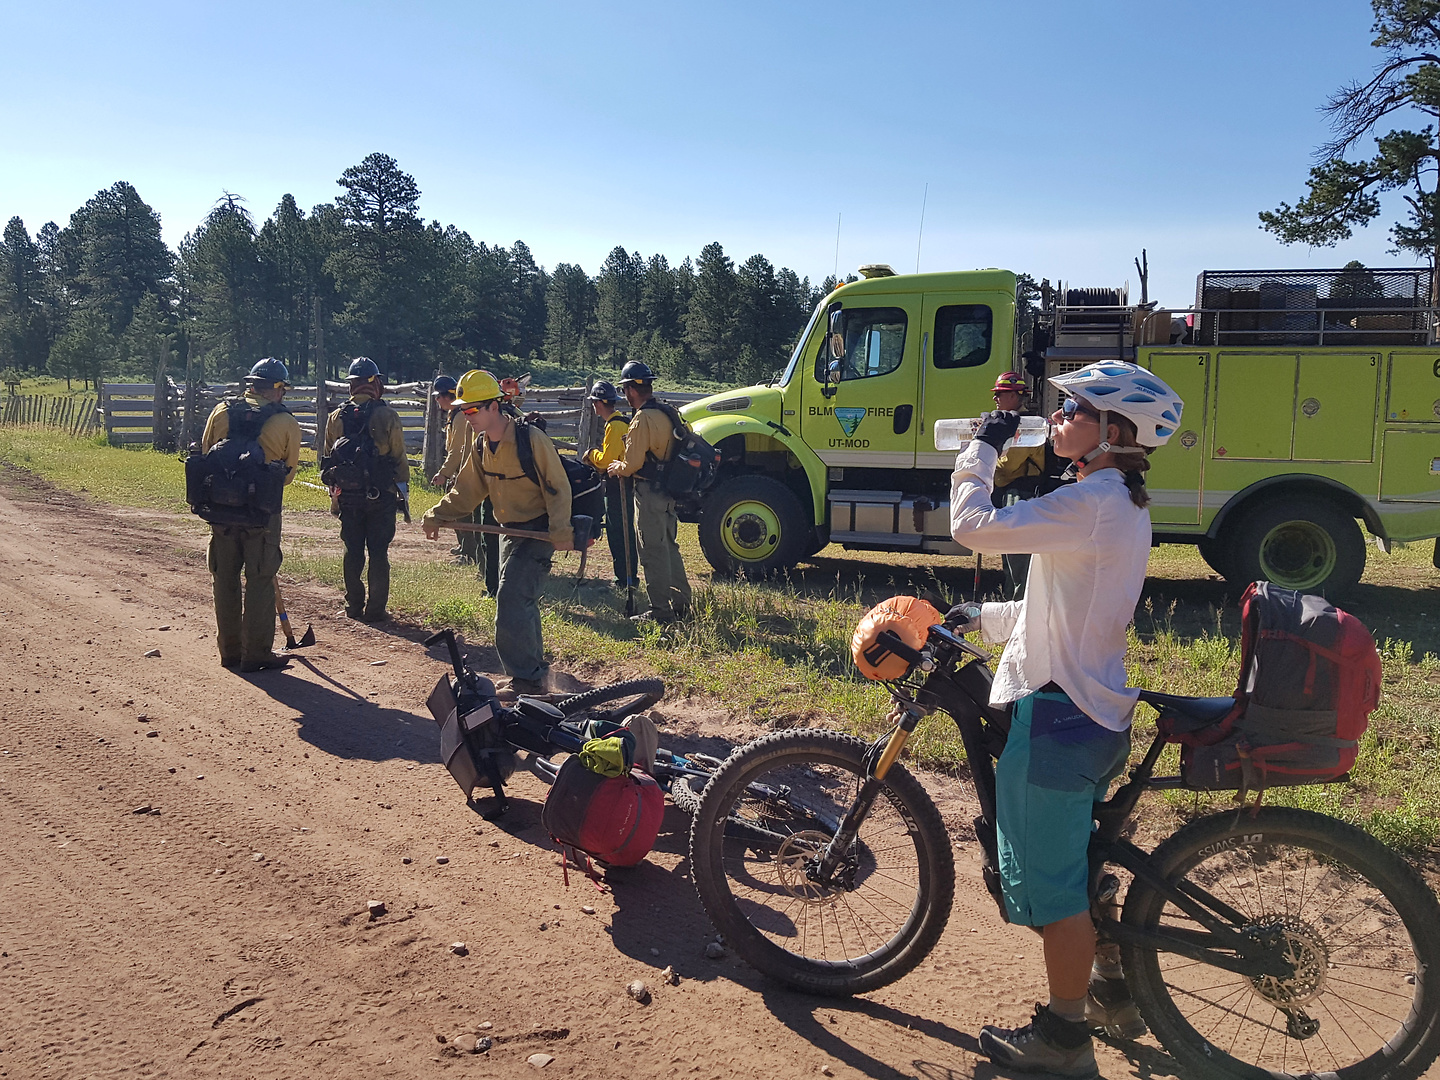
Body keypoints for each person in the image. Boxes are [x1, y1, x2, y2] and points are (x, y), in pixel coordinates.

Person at [947, 360, 1184, 1078]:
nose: (1056, 418)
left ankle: (1064, 1038)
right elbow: (1068, 605)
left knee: (1052, 893)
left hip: (1059, 722)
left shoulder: (1095, 500)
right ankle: (1113, 992)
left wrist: (981, 449)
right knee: (1078, 871)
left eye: (1071, 408)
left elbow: (971, 527)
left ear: (1111, 431)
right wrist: (982, 616)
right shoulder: (1114, 500)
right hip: (1095, 713)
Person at [421, 369, 574, 695]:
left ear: (495, 406)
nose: (466, 415)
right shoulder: (481, 446)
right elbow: (466, 492)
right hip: (509, 532)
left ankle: (526, 679)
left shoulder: (531, 440)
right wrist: (436, 515)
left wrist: (561, 529)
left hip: (538, 531)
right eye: (463, 409)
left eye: (472, 409)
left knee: (510, 599)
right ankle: (534, 676)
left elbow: (558, 487)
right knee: (523, 601)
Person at [200, 357, 303, 672]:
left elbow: (206, 453)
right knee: (259, 579)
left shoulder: (221, 411)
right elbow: (288, 474)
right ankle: (255, 654)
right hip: (263, 514)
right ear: (276, 389)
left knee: (225, 578)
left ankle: (229, 652)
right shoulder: (286, 422)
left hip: (221, 510)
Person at [323, 357, 410, 622]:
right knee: (378, 552)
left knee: (352, 550)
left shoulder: (336, 417)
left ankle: (353, 606)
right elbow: (399, 458)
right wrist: (402, 494)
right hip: (380, 495)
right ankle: (376, 610)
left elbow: (328, 457)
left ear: (352, 385)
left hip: (348, 496)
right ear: (374, 382)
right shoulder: (387, 415)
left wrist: (335, 492)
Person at [606, 360, 692, 623]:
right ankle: (681, 604)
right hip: (669, 492)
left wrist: (616, 467)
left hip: (649, 494)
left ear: (632, 389)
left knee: (652, 551)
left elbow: (632, 464)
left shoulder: (642, 418)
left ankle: (660, 611)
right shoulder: (668, 411)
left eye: (625, 390)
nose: (624, 396)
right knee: (669, 548)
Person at [583, 379, 639, 591]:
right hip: (620, 482)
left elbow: (606, 460)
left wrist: (591, 454)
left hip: (619, 484)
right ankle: (625, 578)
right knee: (620, 531)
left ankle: (626, 580)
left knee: (620, 532)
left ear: (598, 404)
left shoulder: (615, 426)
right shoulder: (617, 423)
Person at [430, 374, 483, 566]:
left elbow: (458, 450)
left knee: (463, 512)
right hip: (462, 469)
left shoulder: (460, 416)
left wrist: (444, 473)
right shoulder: (456, 414)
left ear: (447, 396)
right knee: (458, 511)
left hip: (465, 470)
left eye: (438, 396)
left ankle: (469, 554)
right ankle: (464, 547)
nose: (436, 400)